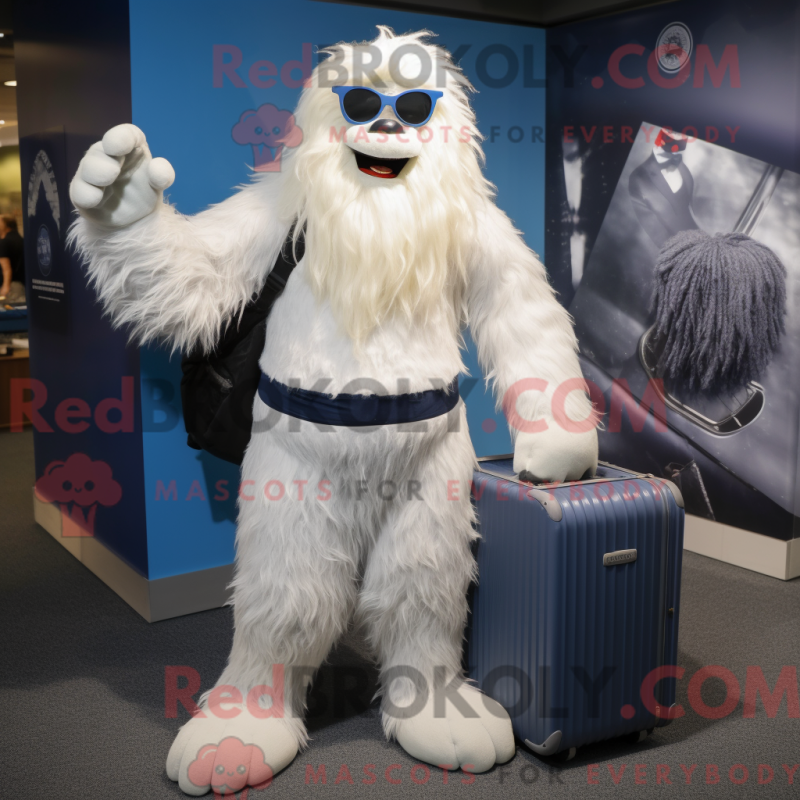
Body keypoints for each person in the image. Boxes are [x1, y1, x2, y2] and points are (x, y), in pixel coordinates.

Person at [628, 129, 698, 249]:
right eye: (675, 132)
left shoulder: (683, 167)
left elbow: (691, 210)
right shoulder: (638, 178)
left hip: (700, 240)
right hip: (676, 250)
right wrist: (678, 253)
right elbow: (653, 228)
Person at [0, 215, 25, 303]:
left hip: (11, 286)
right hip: (22, 284)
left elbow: (6, 268)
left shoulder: (4, 242)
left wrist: (5, 286)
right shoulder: (21, 240)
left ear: (5, 225)